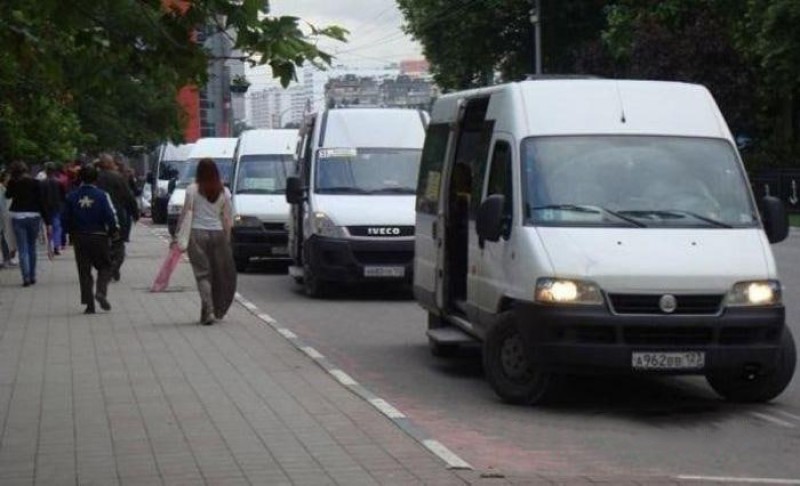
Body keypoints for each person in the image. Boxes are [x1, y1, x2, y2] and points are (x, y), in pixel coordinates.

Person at [175, 158, 236, 325]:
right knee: (218, 274)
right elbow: (227, 219)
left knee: (202, 274)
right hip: (218, 235)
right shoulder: (224, 191)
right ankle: (211, 310)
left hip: (196, 234)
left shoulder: (192, 190)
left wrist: (177, 233)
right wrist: (227, 239)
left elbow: (186, 212)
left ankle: (208, 310)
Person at [63, 165, 119, 314]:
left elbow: (65, 218)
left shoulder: (71, 196)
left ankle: (89, 305)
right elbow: (110, 215)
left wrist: (69, 234)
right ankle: (101, 292)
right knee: (105, 266)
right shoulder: (102, 195)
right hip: (99, 236)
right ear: (96, 179)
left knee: (84, 271)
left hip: (80, 237)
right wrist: (114, 232)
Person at [4, 161, 51, 286]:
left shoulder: (13, 183)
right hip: (34, 215)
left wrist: (9, 182)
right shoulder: (36, 183)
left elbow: (8, 196)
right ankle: (32, 275)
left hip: (18, 216)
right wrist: (48, 222)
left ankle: (25, 278)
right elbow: (42, 202)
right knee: (32, 247)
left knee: (22, 248)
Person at [96, 153, 138, 281]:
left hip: (98, 217)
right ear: (110, 164)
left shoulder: (95, 178)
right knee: (119, 245)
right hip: (117, 216)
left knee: (102, 245)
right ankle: (114, 267)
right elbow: (128, 196)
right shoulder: (118, 178)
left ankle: (106, 267)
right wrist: (135, 213)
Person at [42, 162, 66, 255]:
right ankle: (56, 245)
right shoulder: (59, 182)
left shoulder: (42, 183)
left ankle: (50, 244)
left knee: (48, 225)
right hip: (57, 206)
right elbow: (63, 195)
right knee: (57, 226)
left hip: (46, 207)